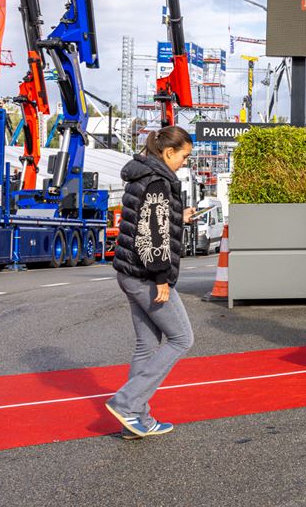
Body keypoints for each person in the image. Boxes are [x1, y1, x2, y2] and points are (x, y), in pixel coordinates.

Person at [105, 125, 196, 439]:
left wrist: (179, 217)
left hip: (128, 272)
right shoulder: (158, 181)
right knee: (182, 339)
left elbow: (148, 221)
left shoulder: (141, 175)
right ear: (168, 152)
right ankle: (127, 403)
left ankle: (134, 420)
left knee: (146, 345)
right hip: (147, 275)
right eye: (184, 155)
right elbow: (152, 235)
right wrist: (161, 278)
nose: (185, 161)